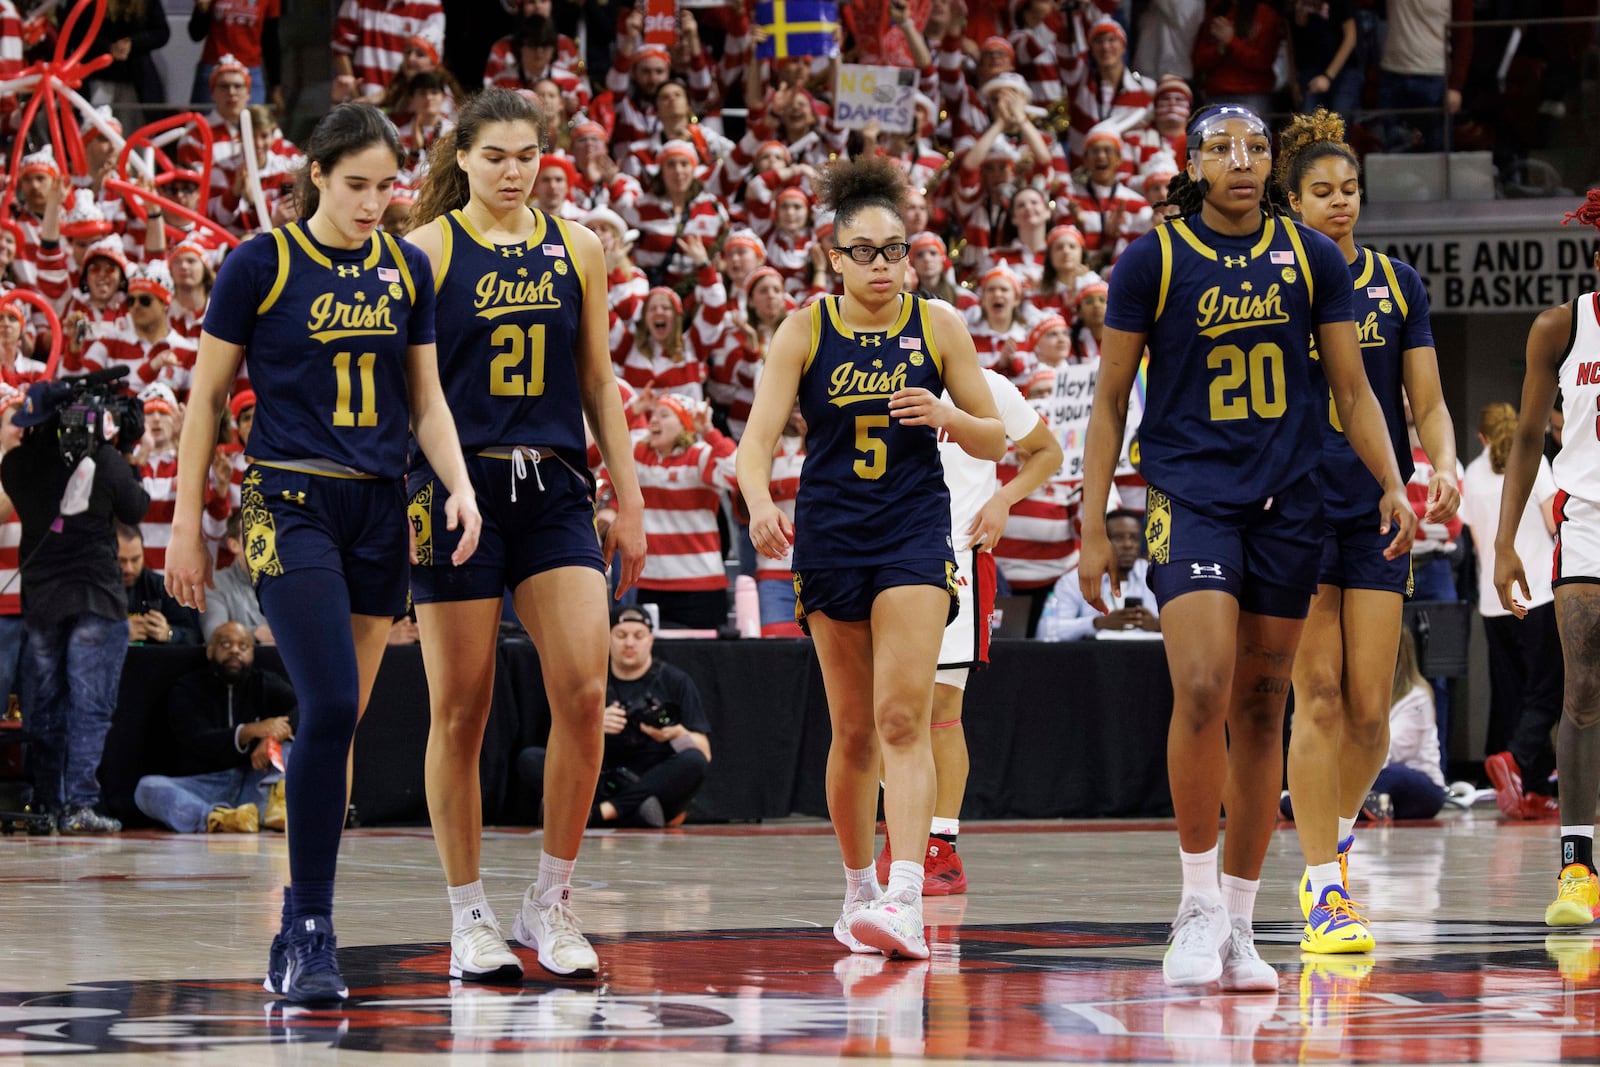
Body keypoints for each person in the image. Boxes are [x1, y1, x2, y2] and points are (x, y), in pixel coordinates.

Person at [1078, 103, 1416, 990]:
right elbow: (1111, 399)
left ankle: (1238, 918)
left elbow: (1352, 387)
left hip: (1290, 501)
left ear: (1271, 165)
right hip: (1189, 495)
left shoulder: (1314, 257)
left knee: (1264, 710)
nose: (1241, 159)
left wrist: (1391, 480)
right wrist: (1089, 521)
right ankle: (1191, 906)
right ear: (1194, 163)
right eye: (1222, 147)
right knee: (1200, 685)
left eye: (1256, 147)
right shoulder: (1154, 256)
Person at [164, 102, 482, 1004]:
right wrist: (189, 519)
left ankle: (296, 926)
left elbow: (425, 401)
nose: (375, 201)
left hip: (383, 506)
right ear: (316, 175)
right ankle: (310, 926)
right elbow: (207, 398)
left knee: (338, 722)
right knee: (331, 697)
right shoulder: (261, 261)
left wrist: (456, 484)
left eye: (388, 186)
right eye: (357, 185)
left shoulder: (406, 269)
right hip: (287, 498)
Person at [737, 154, 1006, 961]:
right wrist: (758, 505)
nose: (884, 264)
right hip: (829, 539)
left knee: (903, 716)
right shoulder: (805, 328)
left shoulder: (939, 325)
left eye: (896, 249)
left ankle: (906, 895)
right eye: (866, 251)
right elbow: (754, 446)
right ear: (834, 255)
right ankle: (857, 888)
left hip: (913, 537)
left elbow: (1001, 439)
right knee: (852, 731)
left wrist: (948, 414)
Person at [404, 88, 645, 984]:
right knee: (459, 709)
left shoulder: (577, 247)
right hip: (455, 488)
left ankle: (549, 900)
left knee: (583, 692)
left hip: (552, 484)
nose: (514, 169)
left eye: (528, 154)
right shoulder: (426, 250)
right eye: (496, 154)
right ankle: (468, 912)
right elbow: (408, 393)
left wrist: (632, 491)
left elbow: (598, 378)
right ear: (461, 158)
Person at [1275, 109, 1459, 956]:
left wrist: (1443, 461)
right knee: (1314, 696)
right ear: (1292, 197)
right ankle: (1322, 885)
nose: (1339, 203)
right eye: (1322, 191)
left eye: (1350, 189)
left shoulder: (1398, 281)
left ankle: (1334, 835)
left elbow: (1423, 399)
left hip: (1382, 508)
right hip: (1295, 503)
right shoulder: (1272, 282)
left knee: (1371, 711)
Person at [875, 367, 1063, 894]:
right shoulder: (866, 375)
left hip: (956, 553)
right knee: (889, 708)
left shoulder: (987, 385)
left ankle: (941, 846)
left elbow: (1047, 450)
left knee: (939, 707)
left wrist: (1003, 498)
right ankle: (904, 835)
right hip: (882, 557)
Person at [1490, 196, 1600, 927]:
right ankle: (1578, 868)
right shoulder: (1562, 326)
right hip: (1588, 519)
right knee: (1583, 684)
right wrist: (1503, 541)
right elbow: (1529, 437)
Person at [2, 380, 149, 835]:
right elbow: (136, 507)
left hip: (42, 601)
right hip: (95, 601)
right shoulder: (101, 461)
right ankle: (81, 803)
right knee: (91, 705)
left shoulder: (15, 465)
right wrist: (119, 450)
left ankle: (48, 801)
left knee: (46, 703)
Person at [517, 605, 711, 829]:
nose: (629, 643)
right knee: (530, 758)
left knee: (693, 761)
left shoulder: (675, 681)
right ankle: (634, 810)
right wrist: (593, 725)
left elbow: (704, 753)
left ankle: (597, 813)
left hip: (650, 775)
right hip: (598, 774)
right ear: (607, 638)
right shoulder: (589, 678)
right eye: (621, 635)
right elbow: (559, 738)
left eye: (638, 636)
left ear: (650, 640)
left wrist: (675, 732)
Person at [1461, 402, 1561, 820]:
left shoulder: (1471, 473)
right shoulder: (1535, 461)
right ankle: (1516, 759)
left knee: (1515, 695)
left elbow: (1481, 547)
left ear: (1482, 438)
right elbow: (1554, 523)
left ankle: (1535, 787)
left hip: (1494, 601)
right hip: (1537, 592)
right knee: (1548, 691)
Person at [133, 621, 296, 832]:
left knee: (289, 744)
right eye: (226, 644)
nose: (235, 650)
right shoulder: (187, 689)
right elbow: (197, 741)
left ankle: (277, 809)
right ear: (210, 651)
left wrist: (271, 738)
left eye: (243, 646)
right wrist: (248, 732)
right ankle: (217, 818)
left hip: (256, 784)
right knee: (147, 788)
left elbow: (304, 707)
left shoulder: (264, 683)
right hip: (206, 785)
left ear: (253, 654)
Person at [1037, 509, 1161, 641]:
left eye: (1134, 538)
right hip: (1095, 658)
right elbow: (1046, 632)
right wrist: (1096, 623)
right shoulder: (1074, 580)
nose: (1128, 545)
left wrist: (1159, 625)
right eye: (1118, 538)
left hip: (1149, 657)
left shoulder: (1156, 575)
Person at [116, 523, 203, 646]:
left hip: (156, 660)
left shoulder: (162, 587)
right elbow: (81, 634)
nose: (129, 568)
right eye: (121, 561)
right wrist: (115, 633)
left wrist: (169, 633)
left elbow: (194, 637)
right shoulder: (95, 589)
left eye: (135, 559)